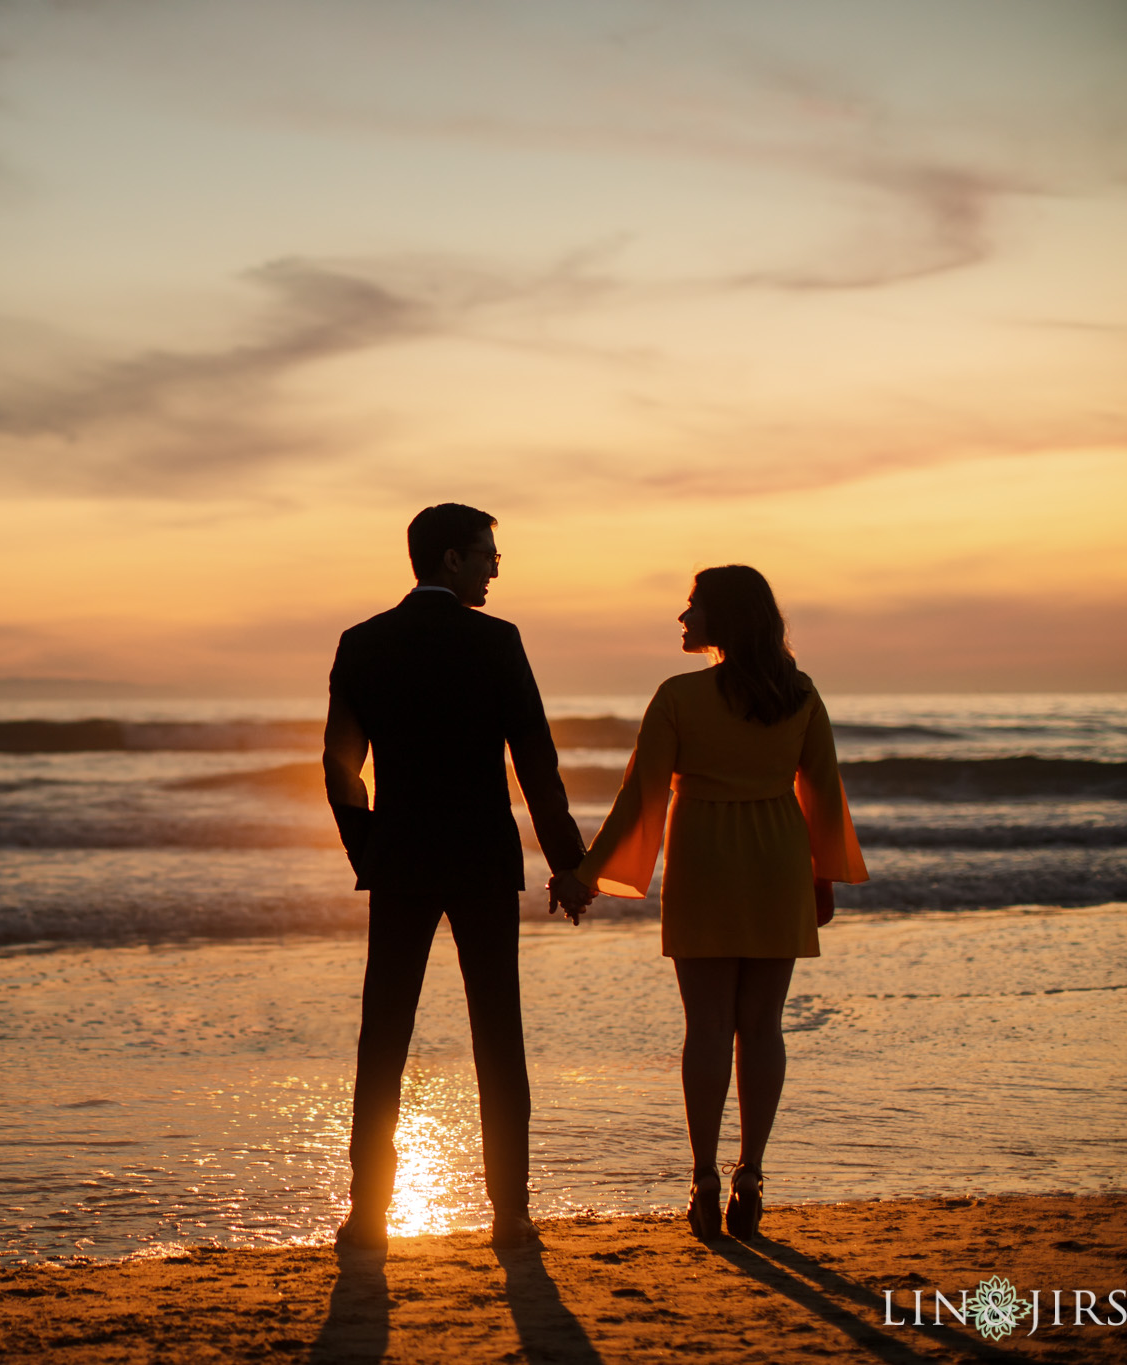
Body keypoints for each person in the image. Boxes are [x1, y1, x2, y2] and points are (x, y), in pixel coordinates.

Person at [552, 565, 867, 1241]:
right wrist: (822, 876)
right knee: (763, 1026)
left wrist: (587, 872)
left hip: (706, 859)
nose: (682, 616)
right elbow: (823, 790)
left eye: (693, 605)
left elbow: (643, 797)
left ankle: (702, 1176)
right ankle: (751, 1171)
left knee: (707, 1027)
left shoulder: (678, 696)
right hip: (778, 859)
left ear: (723, 617)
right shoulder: (799, 693)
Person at [323, 503, 590, 1252]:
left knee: (383, 1037)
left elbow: (340, 764)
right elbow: (536, 762)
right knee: (498, 1035)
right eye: (485, 554)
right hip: (480, 860)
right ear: (449, 559)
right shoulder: (497, 642)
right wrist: (567, 864)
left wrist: (367, 848)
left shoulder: (364, 642)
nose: (495, 567)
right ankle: (511, 1212)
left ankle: (368, 1213)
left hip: (399, 860)